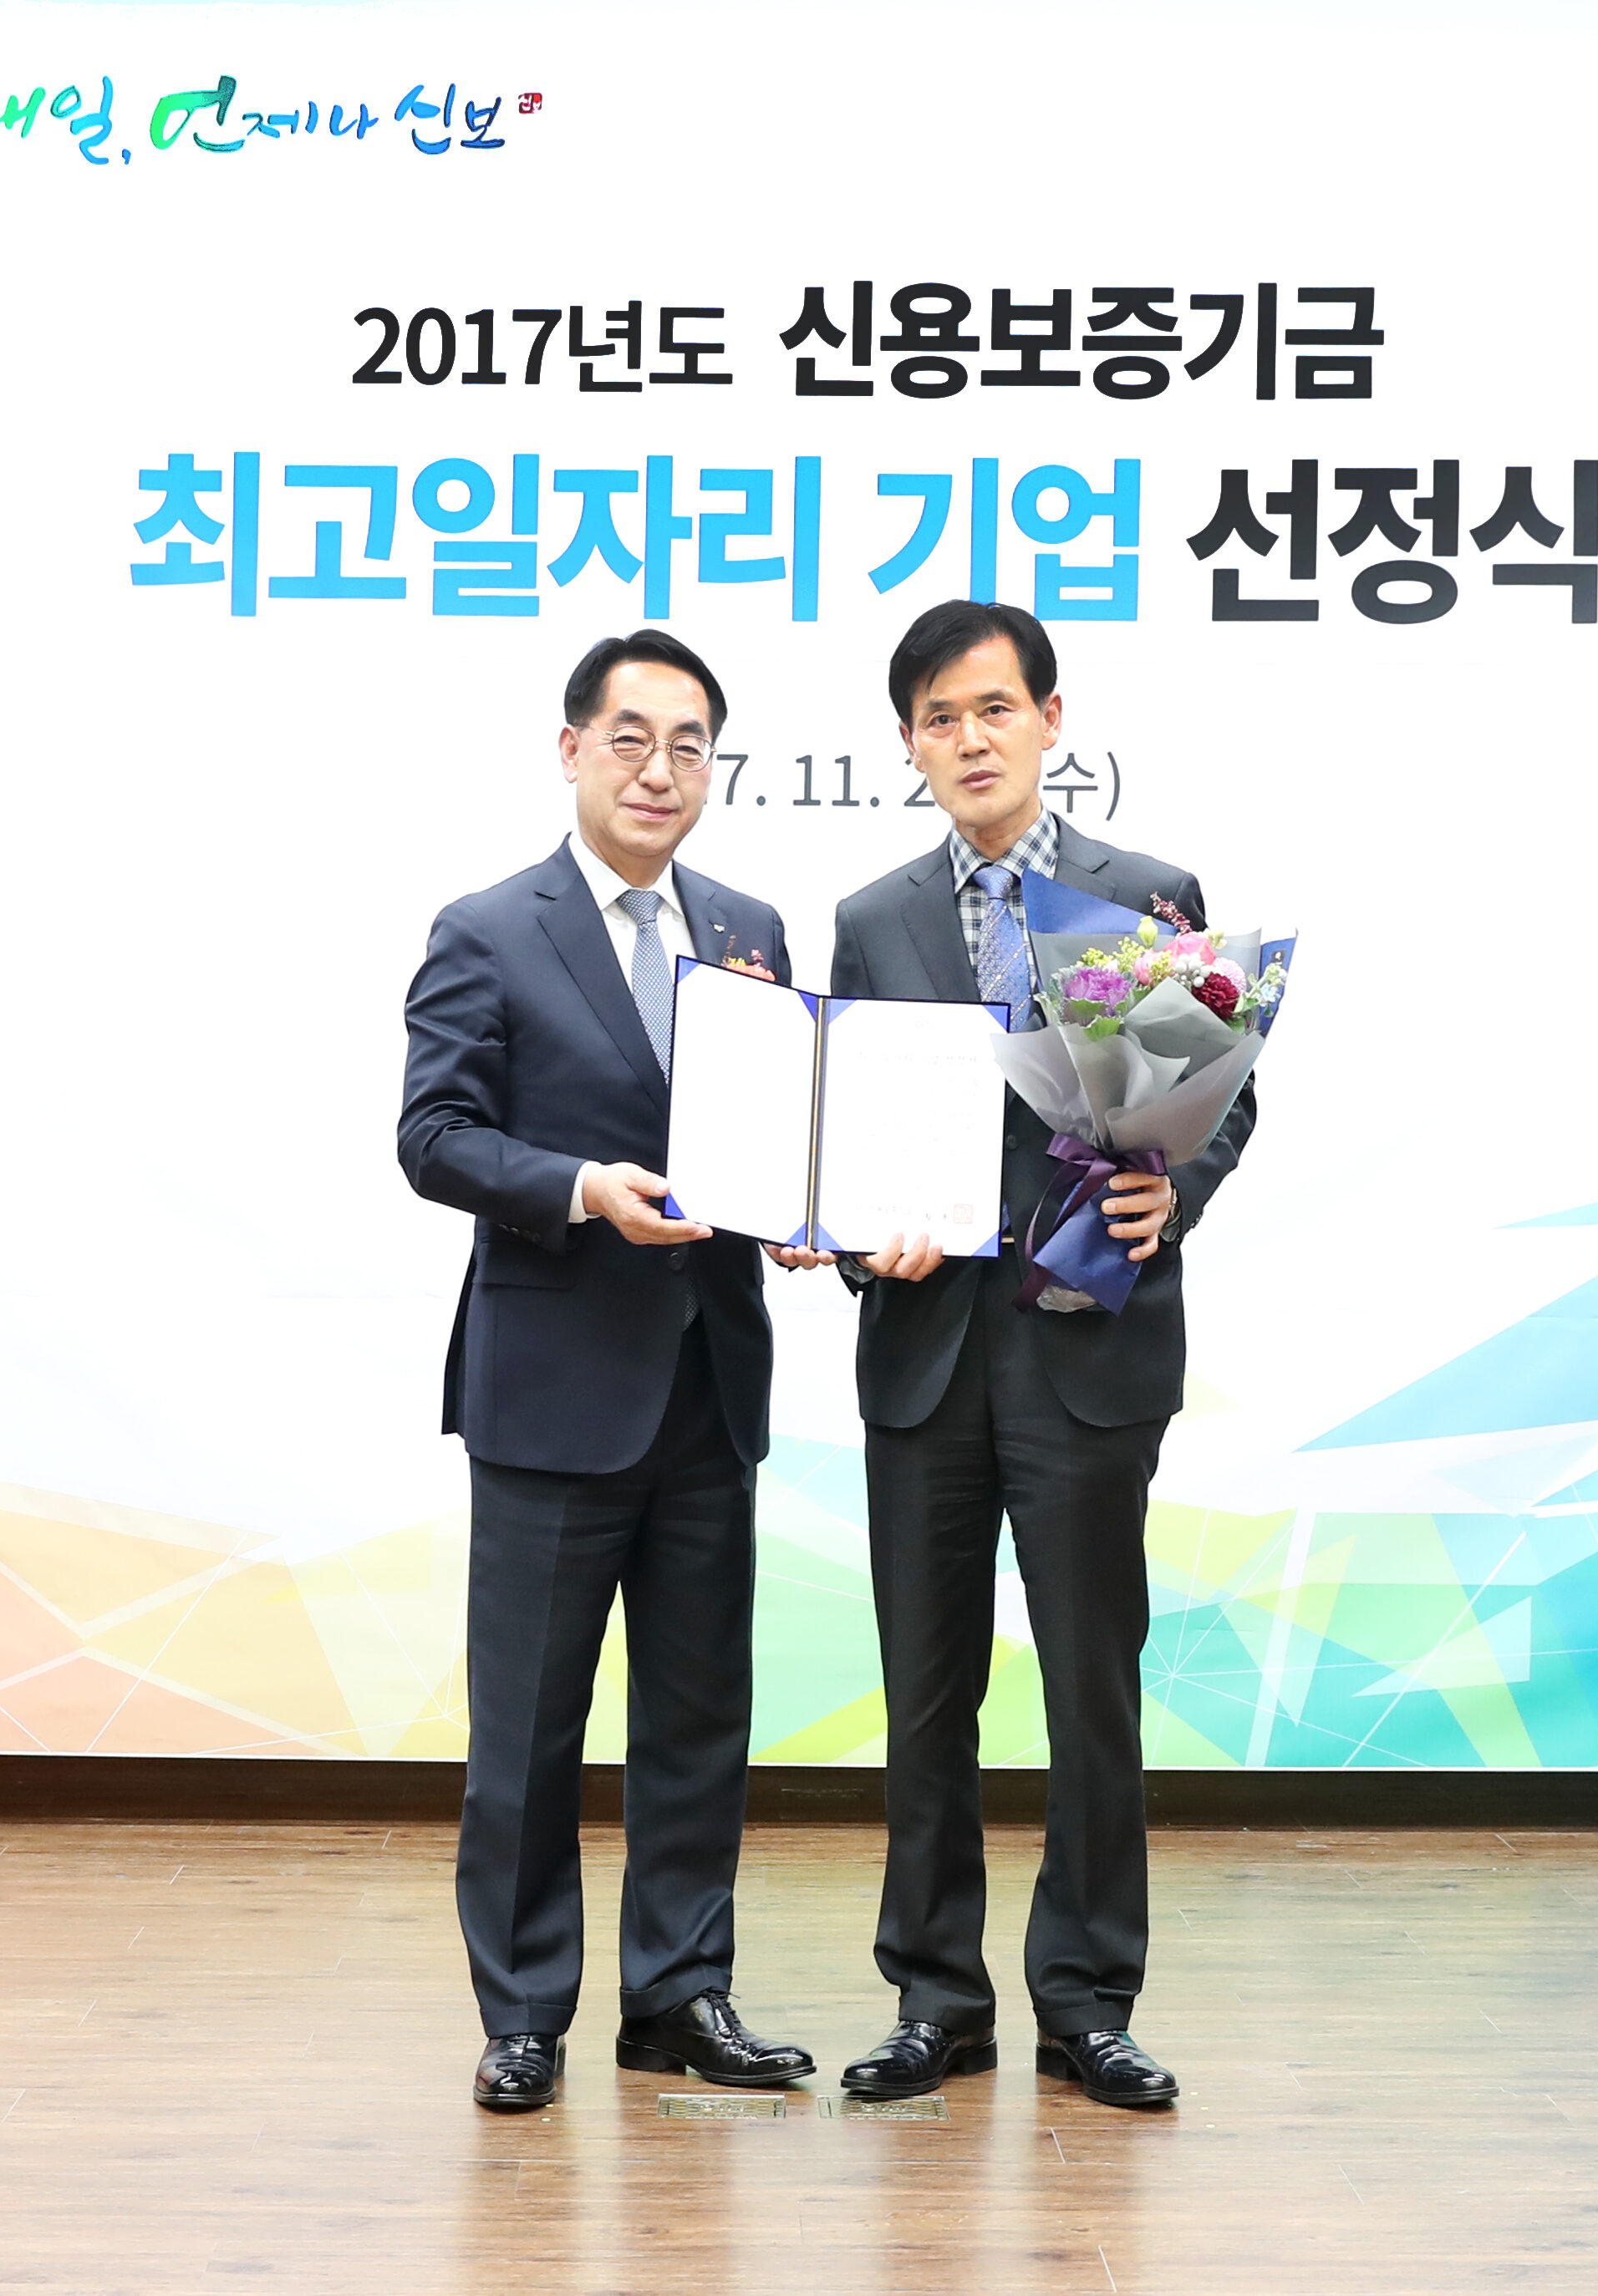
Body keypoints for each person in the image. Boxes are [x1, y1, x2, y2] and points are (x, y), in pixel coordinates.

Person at [819, 600, 1257, 2110]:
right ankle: (936, 1999)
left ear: (1052, 722)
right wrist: (853, 1234)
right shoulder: (871, 919)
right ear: (910, 745)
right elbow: (849, 1124)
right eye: (940, 719)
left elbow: (1219, 1094)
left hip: (1086, 1350)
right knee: (925, 1693)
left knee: (1091, 1688)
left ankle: (1087, 2000)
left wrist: (1174, 1194)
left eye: (995, 708)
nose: (971, 739)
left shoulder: (1144, 894)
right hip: (926, 1353)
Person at [397, 629, 820, 2112]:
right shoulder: (487, 929)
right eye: (632, 738)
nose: (660, 769)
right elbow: (434, 1136)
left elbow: (775, 1126)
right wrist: (581, 1187)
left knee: (699, 1718)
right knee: (528, 1726)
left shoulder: (751, 927)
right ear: (572, 748)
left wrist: (802, 1208)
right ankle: (524, 2012)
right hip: (552, 1386)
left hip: (708, 1379)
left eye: (690, 744)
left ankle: (680, 1997)